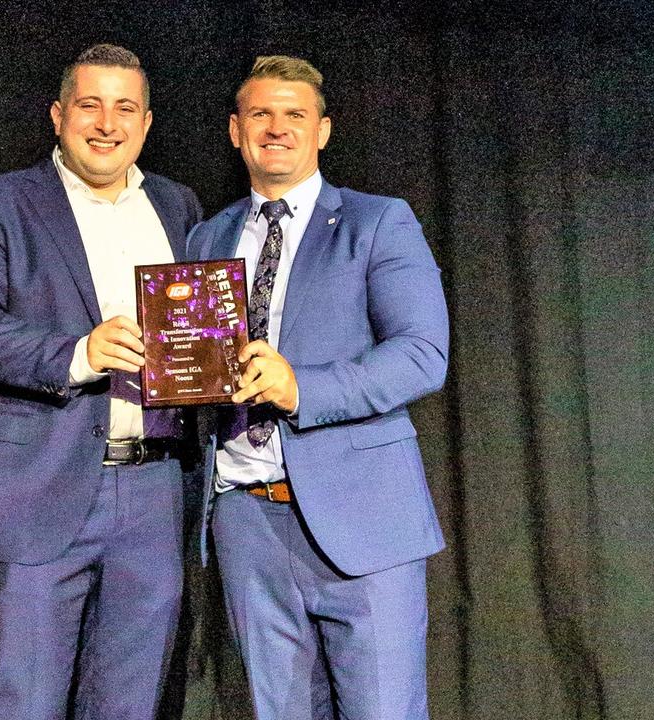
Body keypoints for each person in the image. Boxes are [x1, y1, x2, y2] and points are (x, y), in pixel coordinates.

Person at [187, 56, 450, 719]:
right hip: (246, 519)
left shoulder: (377, 222)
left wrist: (300, 386)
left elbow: (422, 355)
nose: (277, 128)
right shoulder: (205, 236)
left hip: (364, 520)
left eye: (295, 115)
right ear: (235, 129)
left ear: (323, 131)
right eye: (261, 114)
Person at [0, 44, 203, 720]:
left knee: (129, 703)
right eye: (90, 104)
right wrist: (79, 354)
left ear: (146, 124)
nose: (107, 122)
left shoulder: (178, 207)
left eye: (125, 108)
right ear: (59, 114)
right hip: (40, 483)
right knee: (21, 699)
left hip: (154, 490)